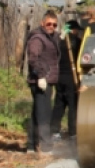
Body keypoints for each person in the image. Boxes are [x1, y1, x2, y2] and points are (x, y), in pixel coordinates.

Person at [25, 11, 60, 155]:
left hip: (46, 79)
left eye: (54, 24)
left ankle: (31, 145)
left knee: (36, 113)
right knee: (44, 115)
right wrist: (40, 76)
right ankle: (45, 147)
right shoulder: (37, 39)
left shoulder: (50, 37)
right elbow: (33, 58)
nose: (51, 26)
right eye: (49, 24)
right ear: (42, 23)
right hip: (40, 80)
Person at [51, 20, 83, 140]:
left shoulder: (58, 42)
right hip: (71, 77)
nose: (77, 32)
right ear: (72, 30)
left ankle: (54, 131)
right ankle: (73, 132)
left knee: (59, 104)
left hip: (59, 76)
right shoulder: (76, 42)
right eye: (76, 30)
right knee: (73, 104)